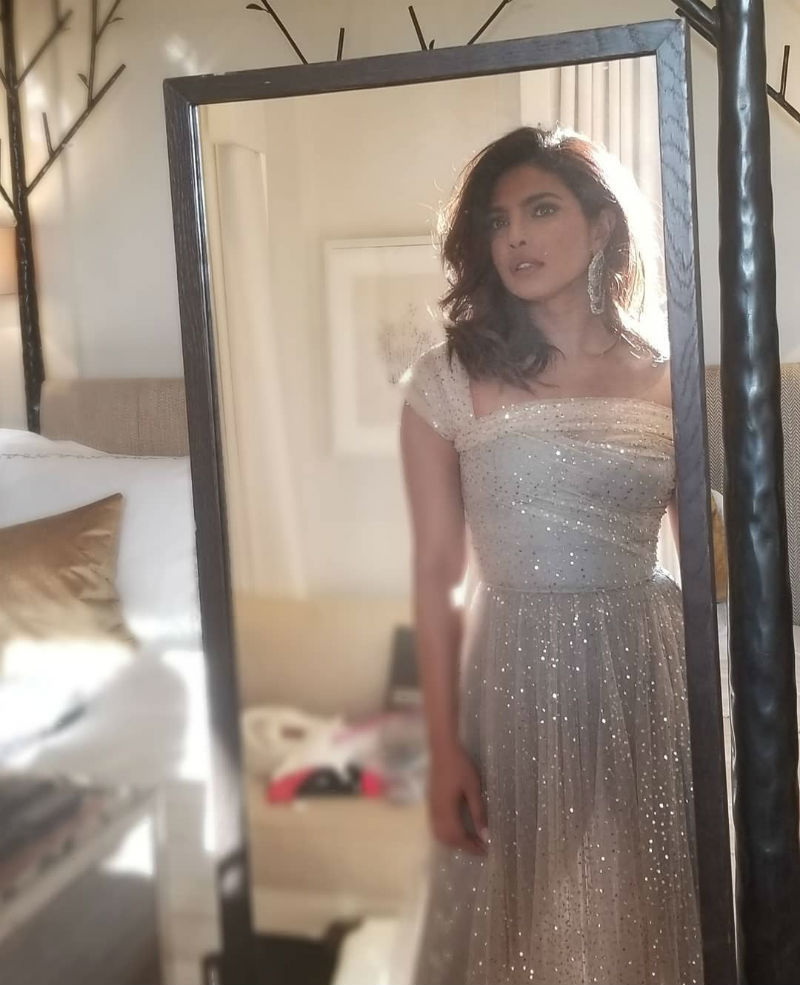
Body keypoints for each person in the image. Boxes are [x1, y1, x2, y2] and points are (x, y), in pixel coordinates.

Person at [398, 126, 702, 985]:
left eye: (541, 210)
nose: (516, 238)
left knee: (636, 922)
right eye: (498, 221)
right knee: (520, 927)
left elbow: (707, 565)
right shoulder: (446, 379)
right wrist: (442, 746)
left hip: (645, 675)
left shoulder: (672, 377)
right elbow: (434, 574)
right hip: (512, 675)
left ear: (602, 225)